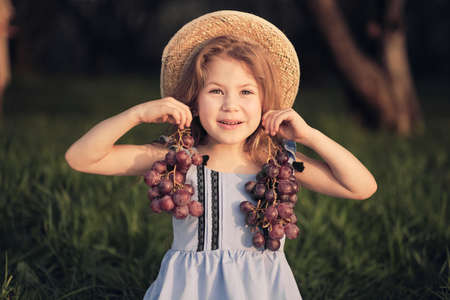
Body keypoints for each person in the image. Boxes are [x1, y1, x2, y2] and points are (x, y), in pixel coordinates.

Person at [65, 10, 377, 300]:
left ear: (266, 103)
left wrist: (310, 135)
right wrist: (135, 114)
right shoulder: (178, 158)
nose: (230, 105)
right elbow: (81, 158)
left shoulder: (277, 163)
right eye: (216, 91)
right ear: (194, 101)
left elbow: (361, 187)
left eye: (246, 92)